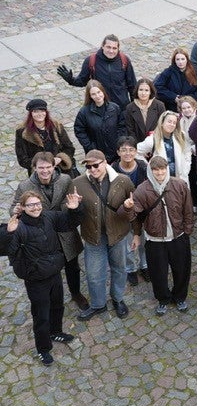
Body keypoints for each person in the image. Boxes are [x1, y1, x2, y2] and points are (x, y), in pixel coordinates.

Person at [5, 189, 83, 366]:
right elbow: (8, 250)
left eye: (37, 203)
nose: (35, 207)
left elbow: (69, 223)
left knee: (57, 306)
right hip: (36, 279)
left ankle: (56, 331)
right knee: (41, 315)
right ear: (23, 207)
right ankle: (43, 349)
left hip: (54, 272)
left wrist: (74, 209)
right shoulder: (18, 227)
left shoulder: (49, 217)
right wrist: (9, 234)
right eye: (31, 205)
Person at [11, 152, 88, 310]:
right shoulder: (25, 186)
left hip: (65, 231)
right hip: (42, 234)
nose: (45, 171)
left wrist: (73, 205)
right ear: (34, 168)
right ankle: (53, 299)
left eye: (48, 167)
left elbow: (71, 201)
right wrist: (17, 211)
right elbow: (14, 207)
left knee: (72, 266)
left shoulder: (66, 180)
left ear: (54, 166)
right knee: (49, 269)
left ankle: (76, 293)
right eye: (41, 168)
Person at [122, 156, 194, 315]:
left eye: (162, 168)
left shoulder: (179, 185)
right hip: (155, 240)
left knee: (182, 270)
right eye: (156, 169)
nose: (160, 172)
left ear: (167, 168)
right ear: (151, 171)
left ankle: (180, 297)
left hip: (178, 236)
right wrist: (128, 208)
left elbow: (188, 209)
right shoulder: (142, 190)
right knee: (158, 273)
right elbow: (135, 216)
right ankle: (163, 299)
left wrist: (187, 231)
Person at [72, 149, 137, 321]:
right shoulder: (77, 183)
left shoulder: (123, 181)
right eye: (89, 166)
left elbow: (133, 209)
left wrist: (130, 209)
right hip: (93, 238)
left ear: (105, 163)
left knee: (120, 269)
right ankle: (98, 304)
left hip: (118, 235)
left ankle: (117, 299)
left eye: (96, 165)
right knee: (94, 274)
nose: (93, 169)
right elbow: (70, 212)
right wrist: (73, 207)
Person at [57, 34, 137, 111]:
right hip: (101, 107)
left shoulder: (124, 60)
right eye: (108, 47)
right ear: (102, 46)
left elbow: (132, 85)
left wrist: (135, 106)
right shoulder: (91, 61)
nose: (111, 51)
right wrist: (70, 80)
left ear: (118, 48)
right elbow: (82, 81)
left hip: (121, 107)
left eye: (114, 48)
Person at [112, 136, 149, 286]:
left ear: (135, 151)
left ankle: (145, 266)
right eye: (124, 150)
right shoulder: (113, 170)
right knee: (127, 242)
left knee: (145, 240)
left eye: (131, 150)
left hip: (142, 210)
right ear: (118, 152)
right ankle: (130, 268)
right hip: (123, 212)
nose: (128, 153)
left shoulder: (142, 167)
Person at [15, 99, 76, 177]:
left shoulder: (56, 126)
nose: (39, 114)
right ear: (31, 114)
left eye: (42, 111)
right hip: (39, 174)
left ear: (46, 112)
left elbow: (69, 148)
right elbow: (22, 159)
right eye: (35, 111)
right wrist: (41, 165)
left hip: (61, 170)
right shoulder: (22, 132)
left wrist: (60, 159)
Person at [73, 80, 126, 164]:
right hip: (96, 154)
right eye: (93, 94)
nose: (97, 96)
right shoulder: (84, 112)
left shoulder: (115, 108)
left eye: (99, 92)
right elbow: (79, 130)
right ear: (90, 96)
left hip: (115, 152)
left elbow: (122, 126)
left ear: (103, 92)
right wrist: (89, 146)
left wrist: (119, 142)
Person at [137, 110, 191, 184]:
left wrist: (186, 168)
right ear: (162, 123)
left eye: (174, 123)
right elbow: (136, 152)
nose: (172, 124)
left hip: (180, 178)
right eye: (169, 121)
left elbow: (187, 151)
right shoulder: (152, 139)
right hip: (161, 179)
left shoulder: (181, 136)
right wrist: (148, 166)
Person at [154, 47, 197, 112]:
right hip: (171, 108)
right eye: (178, 59)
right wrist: (174, 97)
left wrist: (187, 99)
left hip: (189, 109)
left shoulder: (195, 73)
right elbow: (158, 87)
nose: (180, 62)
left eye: (183, 59)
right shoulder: (168, 72)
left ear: (187, 60)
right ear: (174, 60)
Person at [177, 96, 197, 211]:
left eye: (188, 107)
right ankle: (194, 202)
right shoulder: (180, 121)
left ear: (194, 107)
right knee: (191, 177)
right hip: (186, 152)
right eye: (184, 108)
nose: (186, 110)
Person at [124, 78, 166, 143]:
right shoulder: (130, 107)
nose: (143, 93)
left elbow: (163, 126)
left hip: (157, 143)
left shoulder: (159, 105)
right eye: (141, 90)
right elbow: (130, 130)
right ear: (137, 91)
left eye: (146, 90)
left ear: (150, 92)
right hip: (138, 145)